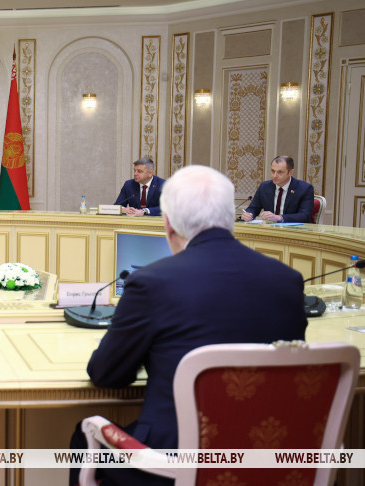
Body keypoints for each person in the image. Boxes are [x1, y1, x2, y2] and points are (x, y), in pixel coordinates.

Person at [70, 165, 307, 486]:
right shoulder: (288, 281)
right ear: (229, 218)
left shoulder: (150, 283)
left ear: (168, 224)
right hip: (265, 464)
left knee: (82, 438)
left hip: (170, 464)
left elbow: (107, 374)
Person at [241, 155, 314, 223]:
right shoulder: (264, 187)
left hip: (295, 230)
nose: (275, 175)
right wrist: (248, 215)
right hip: (270, 229)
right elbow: (253, 208)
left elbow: (304, 215)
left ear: (290, 172)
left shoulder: (304, 188)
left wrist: (279, 218)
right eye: (273, 171)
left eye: (280, 172)